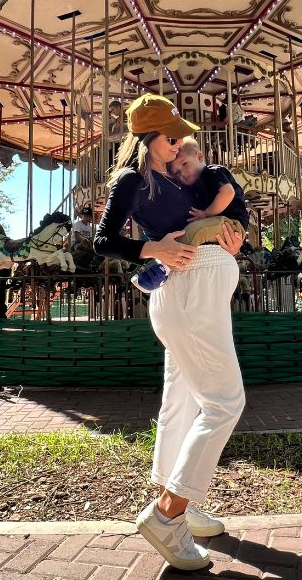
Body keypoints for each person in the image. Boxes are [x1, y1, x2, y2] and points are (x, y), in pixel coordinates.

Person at [93, 93, 245, 572]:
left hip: (192, 287)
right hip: (189, 290)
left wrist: (226, 239)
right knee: (225, 402)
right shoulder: (133, 179)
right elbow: (103, 240)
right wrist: (152, 248)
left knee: (181, 402)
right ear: (148, 138)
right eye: (171, 137)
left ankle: (178, 496)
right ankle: (168, 513)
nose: (179, 144)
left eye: (181, 137)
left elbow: (198, 225)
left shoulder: (173, 179)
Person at [133, 137, 248, 293]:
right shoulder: (190, 188)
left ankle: (164, 268)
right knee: (194, 230)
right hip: (218, 225)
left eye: (185, 164)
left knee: (196, 230)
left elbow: (227, 193)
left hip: (232, 222)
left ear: (199, 157)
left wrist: (206, 213)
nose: (183, 173)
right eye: (177, 173)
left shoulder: (212, 172)